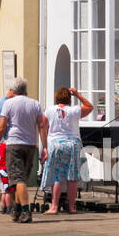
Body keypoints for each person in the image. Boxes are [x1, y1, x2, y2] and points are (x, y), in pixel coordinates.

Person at [0, 78, 47, 223]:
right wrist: (44, 146)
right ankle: (17, 210)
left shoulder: (8, 103)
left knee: (18, 180)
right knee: (20, 180)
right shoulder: (35, 104)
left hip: (14, 144)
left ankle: (26, 212)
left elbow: (1, 127)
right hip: (30, 145)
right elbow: (41, 125)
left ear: (13, 90)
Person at [41, 86, 94, 214]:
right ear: (69, 99)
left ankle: (54, 207)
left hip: (56, 144)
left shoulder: (49, 110)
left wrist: (45, 147)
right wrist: (77, 94)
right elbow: (89, 107)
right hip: (73, 144)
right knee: (72, 177)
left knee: (57, 176)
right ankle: (71, 207)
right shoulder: (74, 110)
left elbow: (43, 126)